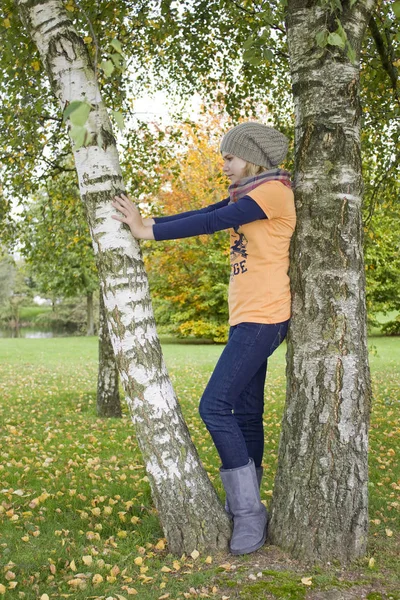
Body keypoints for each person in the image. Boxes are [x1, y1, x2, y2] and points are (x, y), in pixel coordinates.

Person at [112, 122, 296, 555]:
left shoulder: (273, 193)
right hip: (248, 318)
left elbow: (214, 221)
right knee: (247, 413)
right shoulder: (250, 193)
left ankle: (248, 512)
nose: (224, 166)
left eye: (229, 158)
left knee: (213, 406)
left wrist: (148, 232)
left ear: (251, 157)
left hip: (265, 317)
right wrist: (149, 222)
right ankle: (246, 505)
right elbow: (203, 211)